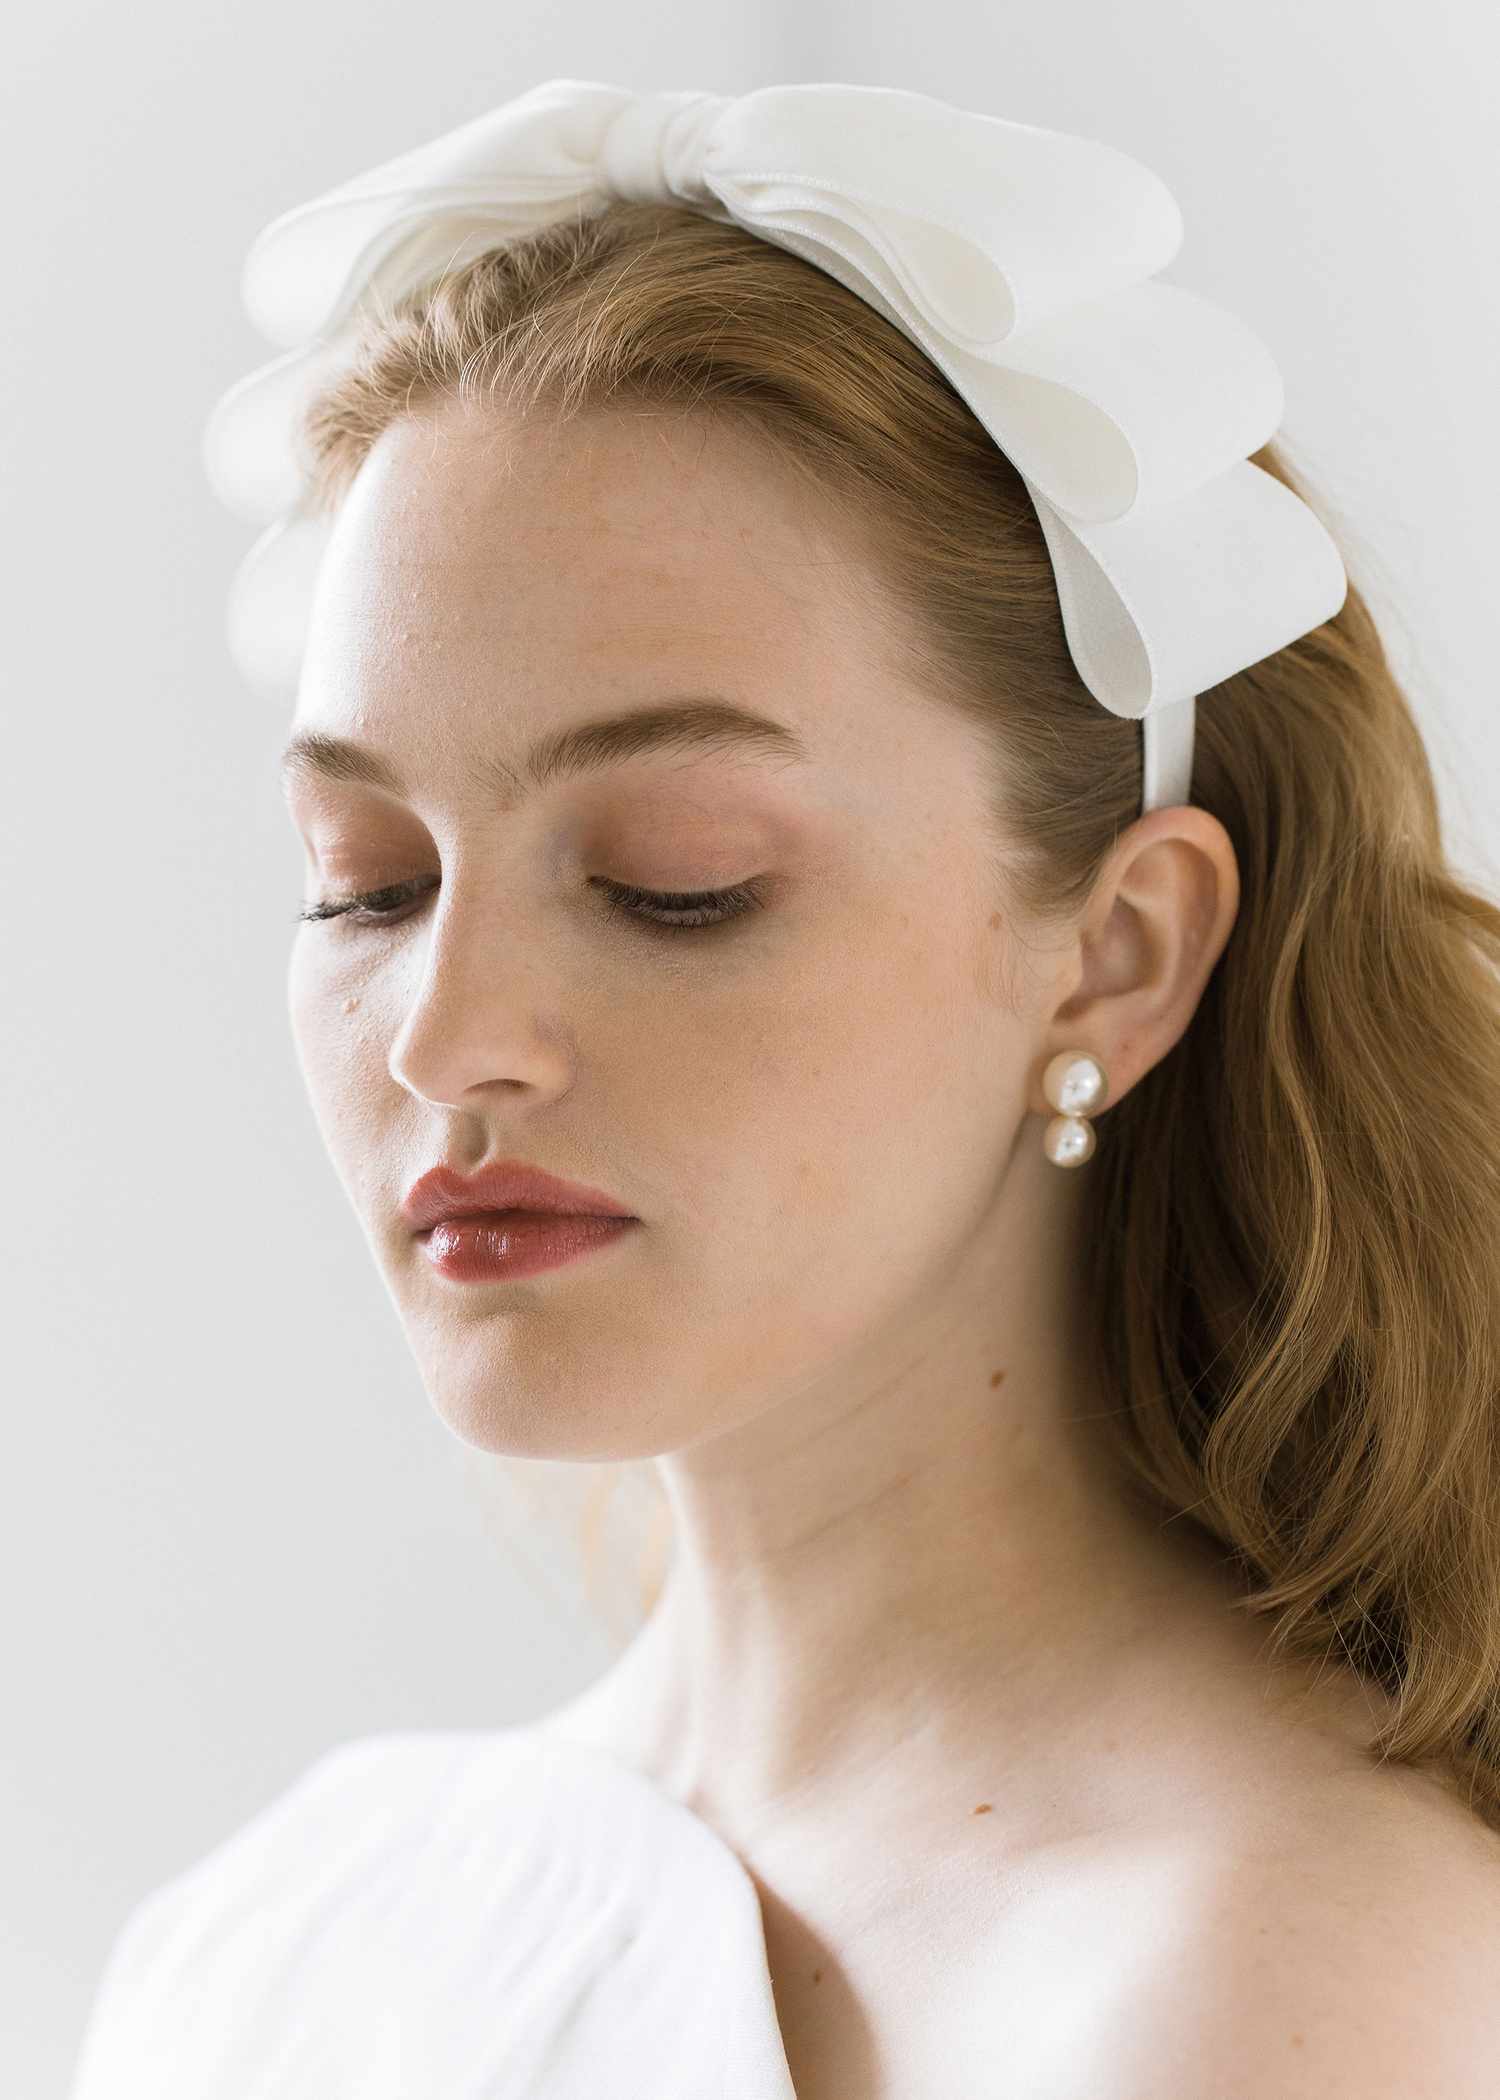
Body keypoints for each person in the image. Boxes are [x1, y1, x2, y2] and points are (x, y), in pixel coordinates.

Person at [74, 134, 1500, 2100]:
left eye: (677, 878)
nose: (447, 1037)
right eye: (368, 879)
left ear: (1115, 952)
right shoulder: (273, 1942)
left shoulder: (1275, 1994)